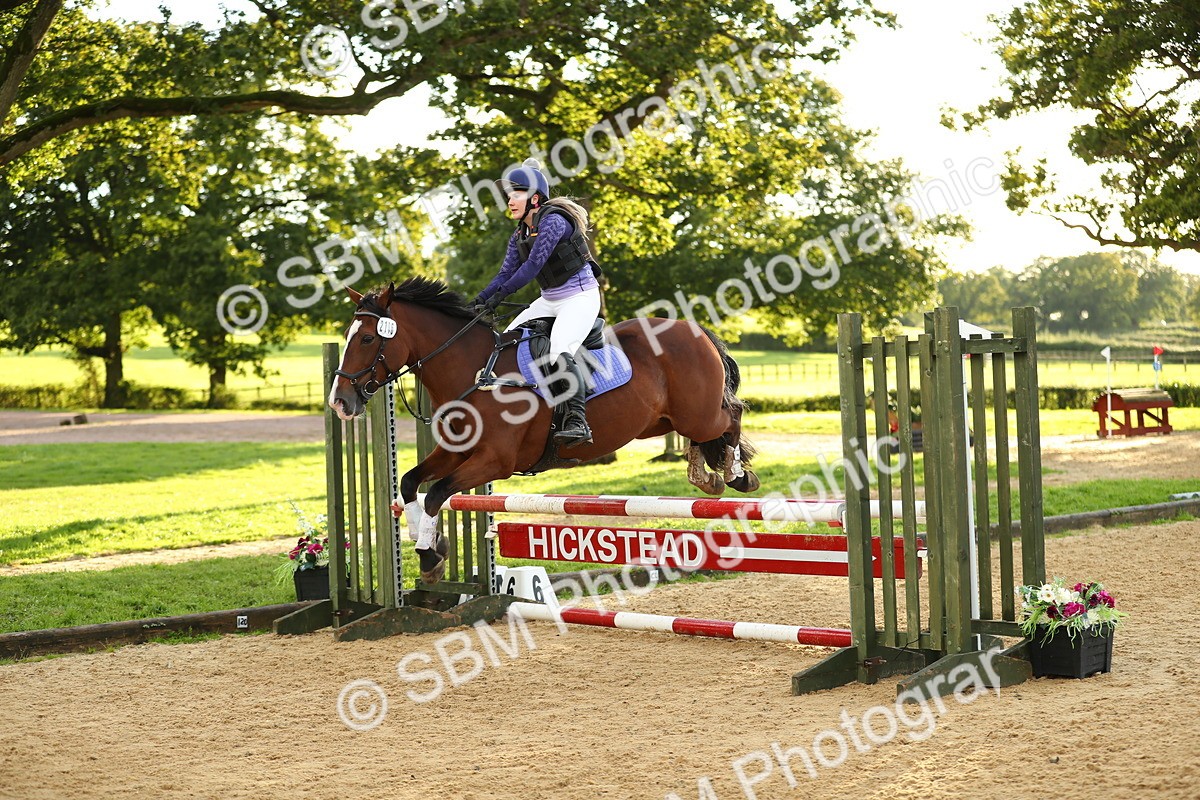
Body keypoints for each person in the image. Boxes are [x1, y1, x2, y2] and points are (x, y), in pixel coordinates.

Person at [472, 158, 602, 447]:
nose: (510, 200)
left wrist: (500, 295)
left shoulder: (553, 221)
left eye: (515, 194)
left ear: (534, 198)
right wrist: (480, 300)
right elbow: (505, 272)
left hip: (579, 298)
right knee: (504, 341)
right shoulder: (519, 233)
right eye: (508, 195)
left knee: (558, 350)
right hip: (549, 300)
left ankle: (578, 421)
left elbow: (531, 267)